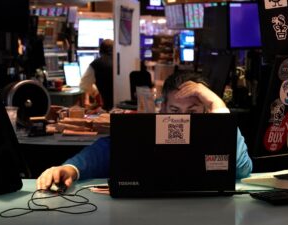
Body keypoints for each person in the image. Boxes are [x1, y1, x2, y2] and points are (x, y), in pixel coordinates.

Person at [37, 72, 253, 190]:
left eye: (193, 112)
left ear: (207, 111)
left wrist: (217, 105)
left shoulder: (213, 134)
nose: (183, 119)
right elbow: (105, 152)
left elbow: (242, 169)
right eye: (175, 110)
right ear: (163, 109)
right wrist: (71, 169)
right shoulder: (148, 131)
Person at [80, 39, 114, 111]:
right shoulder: (122, 61)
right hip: (126, 108)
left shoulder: (96, 64)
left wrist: (95, 92)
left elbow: (83, 85)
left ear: (100, 51)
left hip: (108, 109)